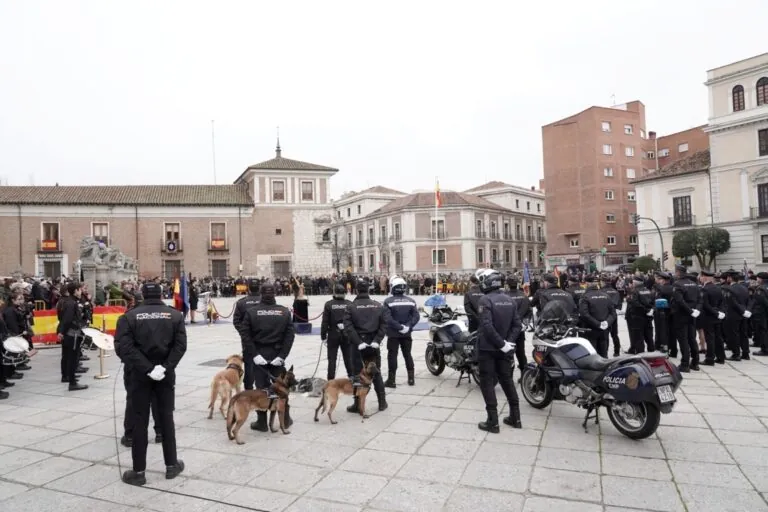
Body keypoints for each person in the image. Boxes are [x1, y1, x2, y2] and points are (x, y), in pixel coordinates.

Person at [116, 282, 187, 487]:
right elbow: (180, 346)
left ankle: (139, 471)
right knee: (166, 418)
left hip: (139, 376)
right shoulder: (174, 316)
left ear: (143, 295)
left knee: (139, 420)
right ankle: (171, 465)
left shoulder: (129, 316)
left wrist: (147, 368)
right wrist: (164, 367)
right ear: (161, 294)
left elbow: (123, 347)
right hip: (165, 375)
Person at [243, 283, 295, 431]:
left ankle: (262, 422)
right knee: (282, 388)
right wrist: (282, 355)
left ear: (260, 294)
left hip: (260, 354)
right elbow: (290, 336)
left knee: (261, 389)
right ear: (275, 293)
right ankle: (285, 418)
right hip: (277, 354)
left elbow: (246, 335)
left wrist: (254, 354)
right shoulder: (284, 312)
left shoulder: (252, 312)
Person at [475, 268, 522, 433]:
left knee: (487, 382)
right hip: (505, 348)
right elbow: (518, 325)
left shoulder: (485, 300)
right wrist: (508, 342)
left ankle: (492, 421)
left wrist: (502, 343)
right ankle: (515, 417)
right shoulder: (509, 300)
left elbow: (487, 325)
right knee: (506, 380)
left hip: (488, 347)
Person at [343, 278, 387, 413]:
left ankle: (357, 404)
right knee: (376, 372)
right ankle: (382, 402)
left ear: (356, 289)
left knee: (357, 374)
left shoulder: (350, 307)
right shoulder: (377, 305)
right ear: (368, 289)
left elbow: (348, 327)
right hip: (373, 343)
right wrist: (376, 341)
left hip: (358, 345)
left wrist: (359, 342)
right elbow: (384, 325)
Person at [382, 276, 420, 388]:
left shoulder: (388, 301)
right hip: (407, 333)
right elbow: (416, 316)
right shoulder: (411, 301)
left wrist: (399, 327)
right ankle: (411, 379)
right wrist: (408, 326)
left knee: (392, 356)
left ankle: (391, 380)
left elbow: (387, 318)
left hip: (393, 334)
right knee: (407, 354)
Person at [57, 282, 89, 391]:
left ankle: (71, 377)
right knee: (72, 357)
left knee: (70, 357)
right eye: (79, 289)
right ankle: (72, 382)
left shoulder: (70, 301)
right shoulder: (71, 303)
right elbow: (67, 320)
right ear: (75, 291)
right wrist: (62, 332)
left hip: (70, 333)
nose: (81, 291)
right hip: (72, 334)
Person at [232, 279, 261, 390]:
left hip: (247, 340)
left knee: (249, 364)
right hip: (263, 339)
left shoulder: (241, 302)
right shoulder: (266, 301)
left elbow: (236, 321)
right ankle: (262, 388)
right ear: (259, 287)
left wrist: (244, 334)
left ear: (248, 288)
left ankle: (248, 389)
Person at [671, 265, 701, 372]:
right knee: (692, 338)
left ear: (678, 272)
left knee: (683, 339)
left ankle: (685, 364)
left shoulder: (677, 284)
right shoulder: (694, 284)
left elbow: (679, 301)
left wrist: (690, 311)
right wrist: (695, 311)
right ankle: (695, 362)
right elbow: (699, 299)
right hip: (692, 315)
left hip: (681, 315)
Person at [320, 284, 353, 381]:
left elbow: (325, 322)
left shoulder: (329, 304)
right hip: (346, 334)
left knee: (332, 359)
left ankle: (331, 379)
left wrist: (323, 336)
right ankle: (351, 377)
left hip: (333, 334)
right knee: (348, 357)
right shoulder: (349, 304)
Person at [578, 275, 616, 357]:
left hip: (590, 330)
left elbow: (584, 314)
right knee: (604, 354)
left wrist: (598, 324)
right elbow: (613, 313)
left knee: (592, 355)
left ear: (587, 283)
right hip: (604, 330)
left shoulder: (585, 297)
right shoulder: (606, 295)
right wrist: (606, 323)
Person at [721, 270, 751, 361]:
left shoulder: (729, 288)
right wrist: (746, 311)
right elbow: (748, 301)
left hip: (733, 314)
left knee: (734, 335)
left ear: (730, 278)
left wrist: (742, 311)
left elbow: (732, 302)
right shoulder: (744, 288)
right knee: (743, 334)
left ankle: (736, 354)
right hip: (744, 314)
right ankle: (746, 353)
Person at [700, 270, 726, 365]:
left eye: (701, 276)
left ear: (705, 277)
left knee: (710, 338)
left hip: (708, 316)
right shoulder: (717, 288)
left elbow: (705, 305)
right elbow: (722, 303)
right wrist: (720, 312)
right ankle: (721, 357)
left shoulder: (704, 289)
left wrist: (716, 313)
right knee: (718, 337)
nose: (700, 278)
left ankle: (710, 358)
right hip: (717, 316)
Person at [625, 276, 655, 354]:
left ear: (635, 283)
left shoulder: (635, 291)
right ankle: (651, 353)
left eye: (633, 282)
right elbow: (653, 301)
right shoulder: (648, 290)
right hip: (648, 317)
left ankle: (641, 354)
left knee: (639, 338)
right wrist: (650, 310)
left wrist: (629, 300)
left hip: (638, 317)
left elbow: (635, 303)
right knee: (649, 336)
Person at [505, 277, 530, 368]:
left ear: (507, 285)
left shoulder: (504, 296)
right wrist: (525, 324)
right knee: (521, 354)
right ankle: (525, 376)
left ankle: (508, 378)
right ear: (518, 284)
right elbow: (529, 312)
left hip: (507, 330)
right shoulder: (524, 295)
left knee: (508, 354)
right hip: (520, 329)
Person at [600, 276, 623, 356]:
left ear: (603, 282)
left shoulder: (601, 292)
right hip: (614, 315)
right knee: (614, 335)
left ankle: (605, 352)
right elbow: (620, 304)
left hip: (605, 315)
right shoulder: (615, 291)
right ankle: (617, 352)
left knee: (605, 335)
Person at [653, 271, 674, 355]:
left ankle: (664, 346)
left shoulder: (661, 289)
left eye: (660, 279)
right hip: (671, 312)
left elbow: (657, 301)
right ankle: (673, 348)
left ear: (663, 280)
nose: (659, 280)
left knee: (662, 331)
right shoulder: (673, 288)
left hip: (662, 313)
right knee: (671, 331)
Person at [752, 272, 768, 357]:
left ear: (761, 279)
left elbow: (763, 302)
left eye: (757, 278)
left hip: (762, 314)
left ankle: (764, 349)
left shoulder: (760, 289)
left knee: (763, 331)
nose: (756, 279)